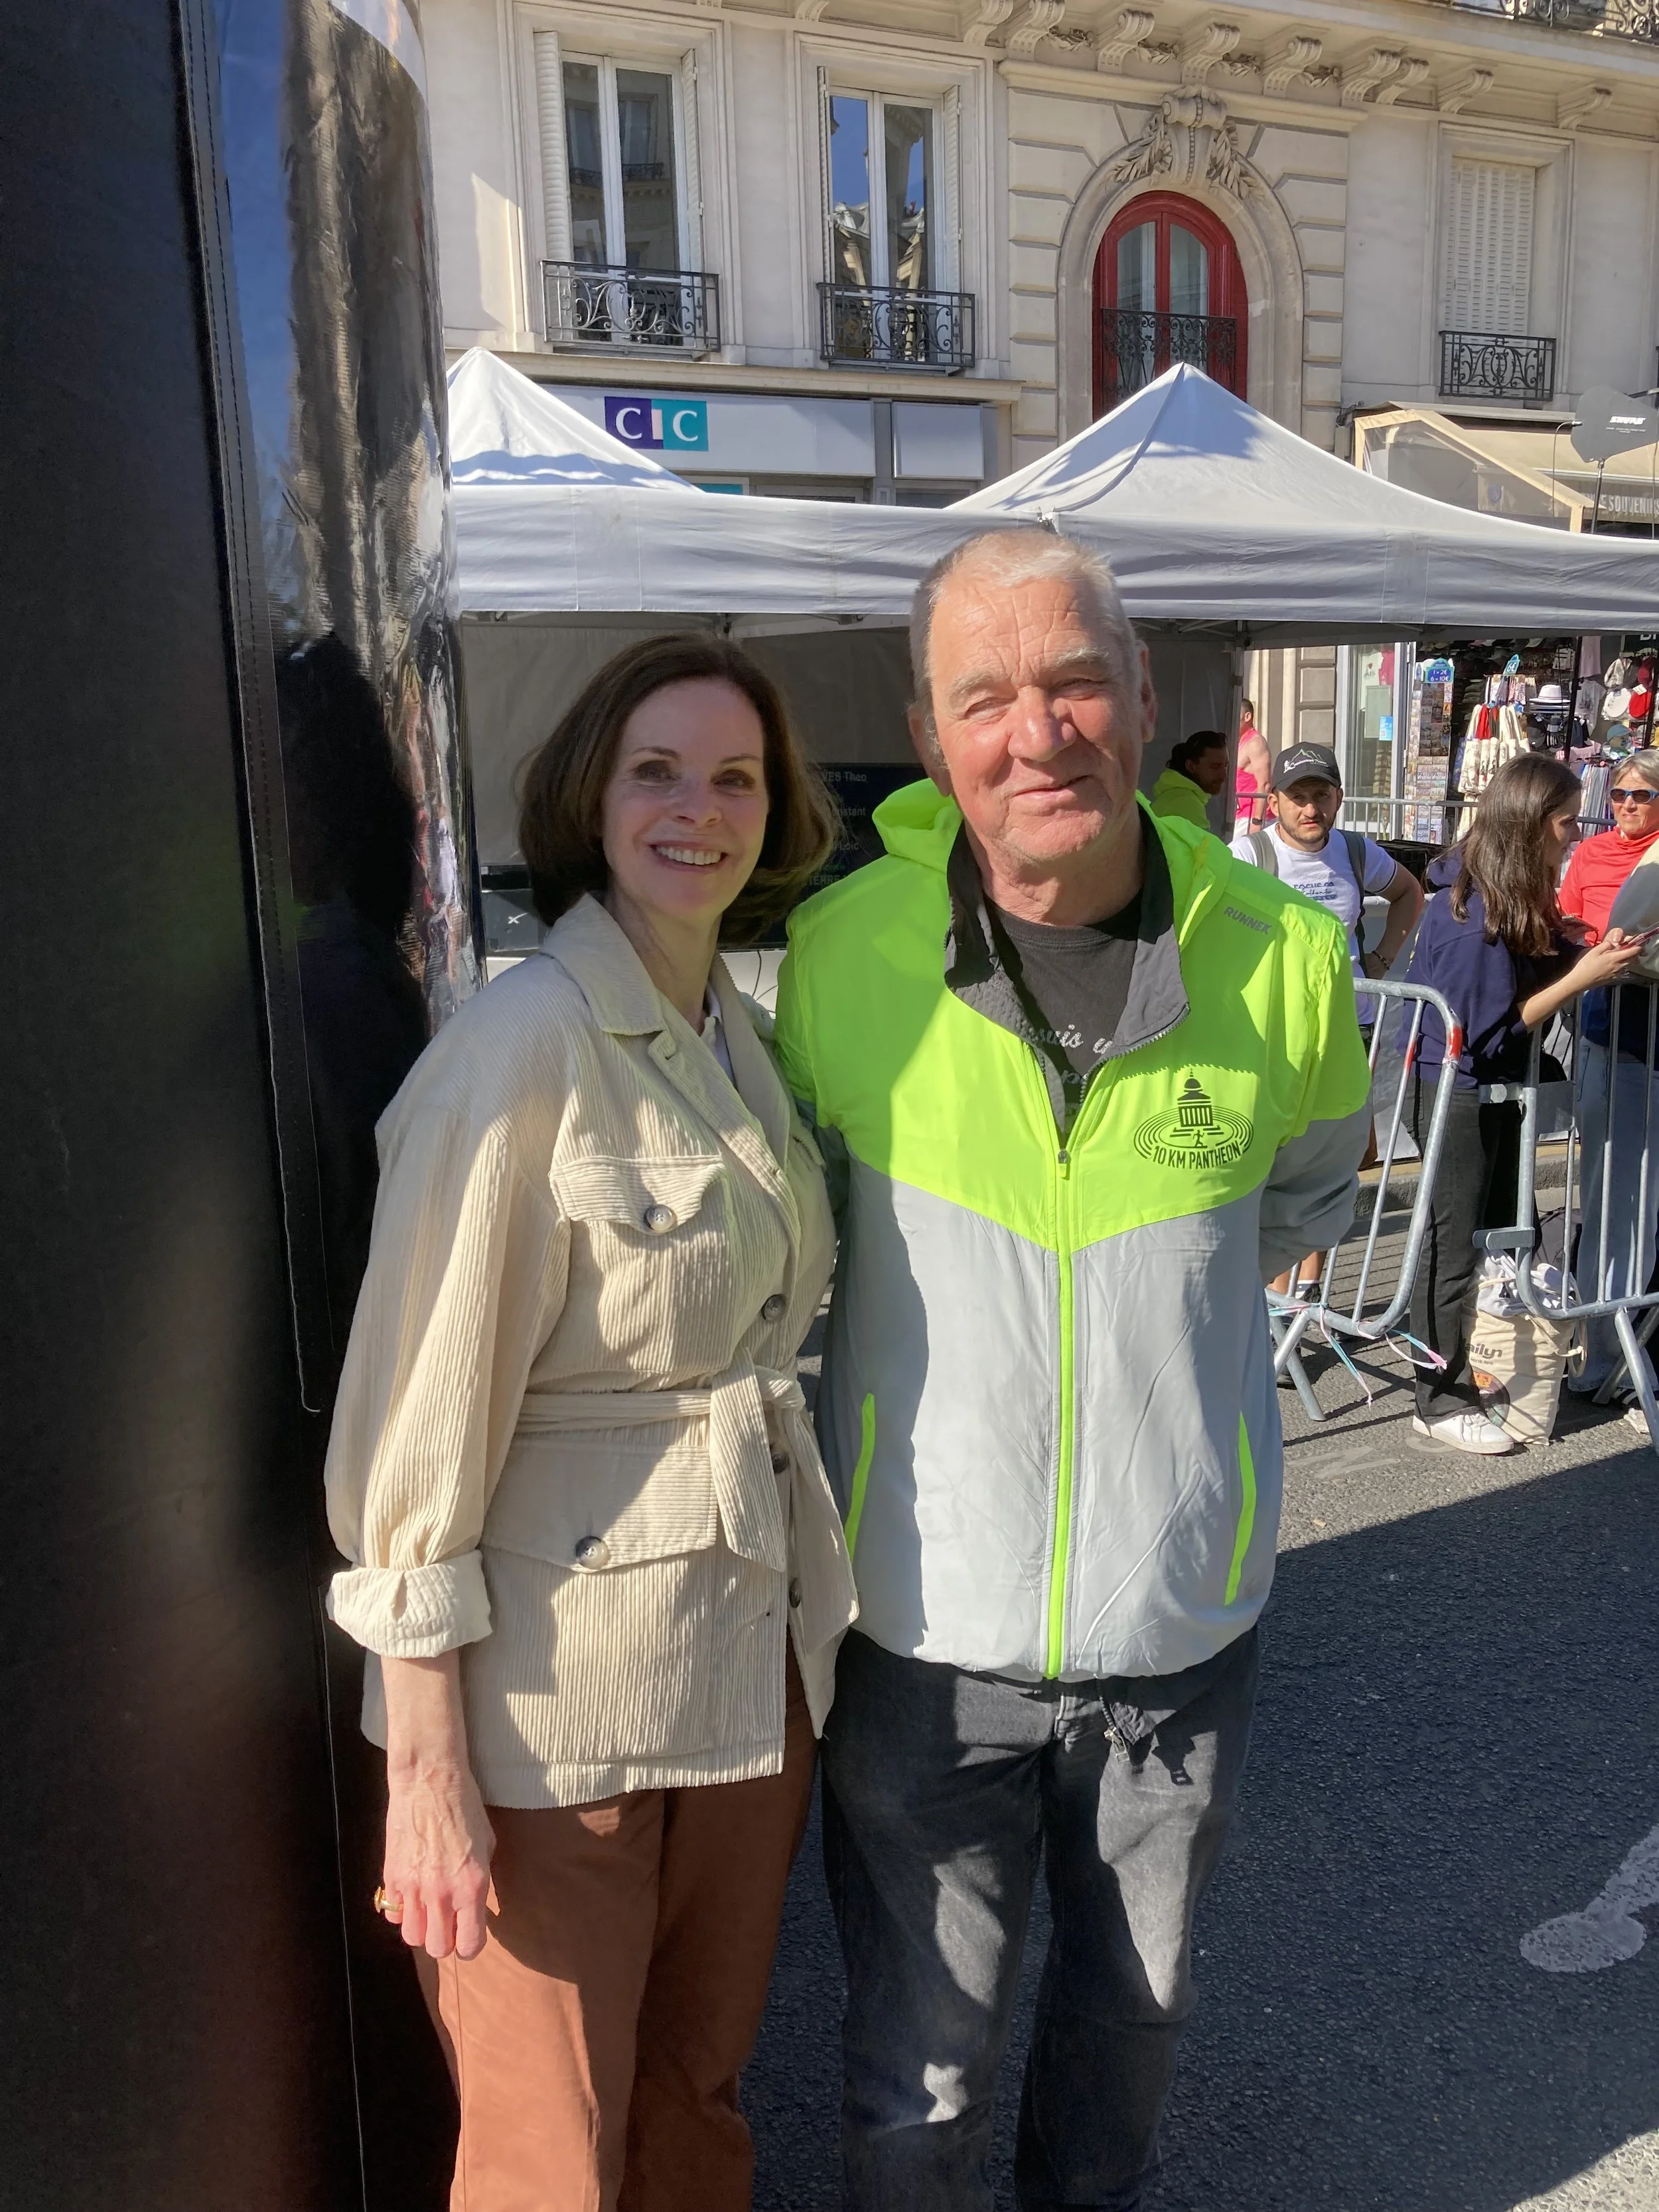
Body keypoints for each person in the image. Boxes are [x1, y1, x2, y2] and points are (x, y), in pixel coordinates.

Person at [773, 528, 1372, 2212]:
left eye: (1074, 682)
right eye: (987, 697)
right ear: (928, 725)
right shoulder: (842, 959)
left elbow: (1313, 1188)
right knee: (917, 2091)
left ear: (1145, 697)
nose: (1038, 734)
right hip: (915, 1628)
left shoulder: (1287, 958)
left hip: (1177, 1628)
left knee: (1126, 2053)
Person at [323, 634, 858, 2211]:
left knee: (693, 2100)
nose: (699, 808)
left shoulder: (736, 1040)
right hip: (550, 1722)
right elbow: (413, 1432)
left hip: (745, 1668)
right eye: (657, 771)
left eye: (735, 777)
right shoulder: (519, 1048)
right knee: (550, 2155)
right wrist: (426, 1771)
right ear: (589, 794)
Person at [1402, 754, 1646, 1453]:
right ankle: (1435, 1398)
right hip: (1458, 1089)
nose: (1574, 834)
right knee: (1450, 1249)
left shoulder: (1502, 893)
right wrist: (1584, 975)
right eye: (1567, 822)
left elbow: (1520, 972)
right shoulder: (1468, 911)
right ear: (1530, 823)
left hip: (1488, 1087)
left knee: (1482, 1242)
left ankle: (1464, 1372)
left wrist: (1572, 946)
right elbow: (1488, 1025)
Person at [1230, 742, 1424, 1295]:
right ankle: (1277, 1288)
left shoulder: (1357, 853)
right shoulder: (1247, 856)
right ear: (1274, 802)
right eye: (1298, 797)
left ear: (1338, 798)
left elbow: (1410, 894)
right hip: (1277, 1034)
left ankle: (1300, 1287)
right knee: (1279, 1156)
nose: (1310, 808)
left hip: (1350, 1027)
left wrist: (1383, 960)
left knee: (1344, 1154)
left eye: (1321, 795)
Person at [1557, 747, 1659, 1402]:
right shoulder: (1592, 856)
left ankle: (1630, 1351)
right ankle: (1604, 1356)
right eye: (1618, 794)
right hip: (1614, 1037)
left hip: (1640, 1039)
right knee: (1616, 1203)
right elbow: (1566, 921)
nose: (1625, 805)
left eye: (1640, 796)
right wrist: (1594, 950)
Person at [1151, 728, 1228, 828]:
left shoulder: (1176, 794)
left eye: (1226, 766)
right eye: (1215, 767)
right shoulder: (1186, 803)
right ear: (1191, 766)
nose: (1224, 776)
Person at [1234, 696, 1269, 828]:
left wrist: (1257, 821)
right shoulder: (1240, 742)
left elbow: (1265, 784)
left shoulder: (1256, 743)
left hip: (1251, 818)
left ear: (1247, 717)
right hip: (1241, 815)